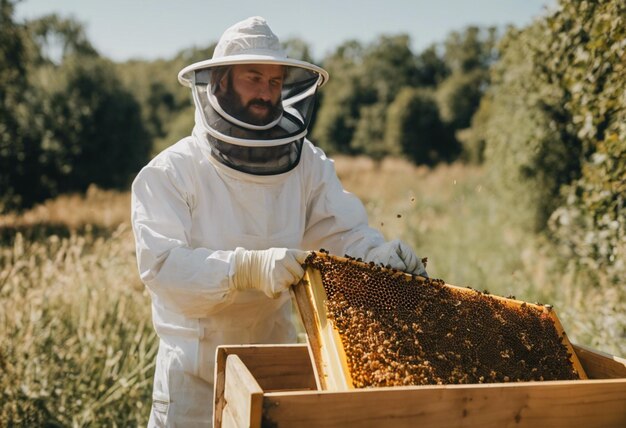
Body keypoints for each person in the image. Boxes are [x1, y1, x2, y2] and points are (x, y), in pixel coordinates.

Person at [131, 16, 427, 427]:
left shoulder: (306, 162)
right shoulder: (170, 173)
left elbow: (341, 232)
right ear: (219, 84)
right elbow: (163, 268)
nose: (266, 92)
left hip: (277, 368)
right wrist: (244, 269)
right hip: (194, 380)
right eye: (254, 78)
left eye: (274, 82)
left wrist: (379, 257)